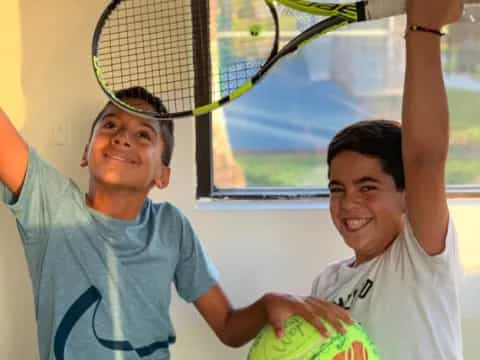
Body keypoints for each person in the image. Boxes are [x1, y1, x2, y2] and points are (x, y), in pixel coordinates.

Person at [0, 85, 352, 360]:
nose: (122, 136)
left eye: (144, 135)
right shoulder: (52, 206)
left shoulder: (171, 227)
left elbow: (228, 327)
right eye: (110, 125)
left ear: (162, 175)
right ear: (85, 152)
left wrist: (268, 304)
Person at [310, 0, 464, 358]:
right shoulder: (326, 283)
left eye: (367, 187)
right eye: (337, 189)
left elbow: (424, 159)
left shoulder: (419, 256)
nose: (348, 203)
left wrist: (423, 28)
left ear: (406, 196)